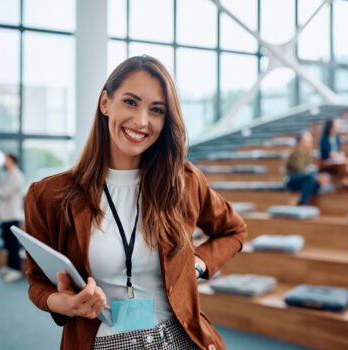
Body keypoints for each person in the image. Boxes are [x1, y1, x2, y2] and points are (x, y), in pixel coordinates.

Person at [24, 56, 247, 350]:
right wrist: (63, 303)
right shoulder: (49, 195)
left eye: (156, 110)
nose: (142, 121)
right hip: (104, 343)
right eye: (131, 102)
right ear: (105, 103)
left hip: (179, 340)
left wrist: (198, 262)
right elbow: (38, 283)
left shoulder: (184, 182)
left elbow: (235, 230)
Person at [0, 153, 25, 282]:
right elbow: (1, 192)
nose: (3, 162)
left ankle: (16, 270)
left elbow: (3, 193)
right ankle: (9, 267)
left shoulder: (17, 176)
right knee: (7, 243)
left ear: (12, 161)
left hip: (13, 215)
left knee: (13, 245)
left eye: (6, 159)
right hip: (4, 215)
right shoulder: (6, 175)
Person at [285, 130, 329, 205]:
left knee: (316, 181)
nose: (310, 141)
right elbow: (300, 170)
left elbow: (309, 168)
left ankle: (311, 202)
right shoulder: (293, 153)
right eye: (307, 140)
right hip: (292, 180)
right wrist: (316, 177)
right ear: (301, 141)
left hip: (304, 179)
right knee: (311, 178)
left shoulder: (307, 153)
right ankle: (302, 203)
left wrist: (318, 177)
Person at [319, 119, 348, 189]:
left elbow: (340, 151)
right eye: (336, 125)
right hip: (327, 161)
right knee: (342, 163)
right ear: (331, 127)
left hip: (337, 159)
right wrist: (341, 158)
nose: (338, 127)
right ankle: (345, 180)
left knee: (347, 161)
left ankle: (345, 179)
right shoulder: (324, 138)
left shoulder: (337, 137)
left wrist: (343, 157)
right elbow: (329, 154)